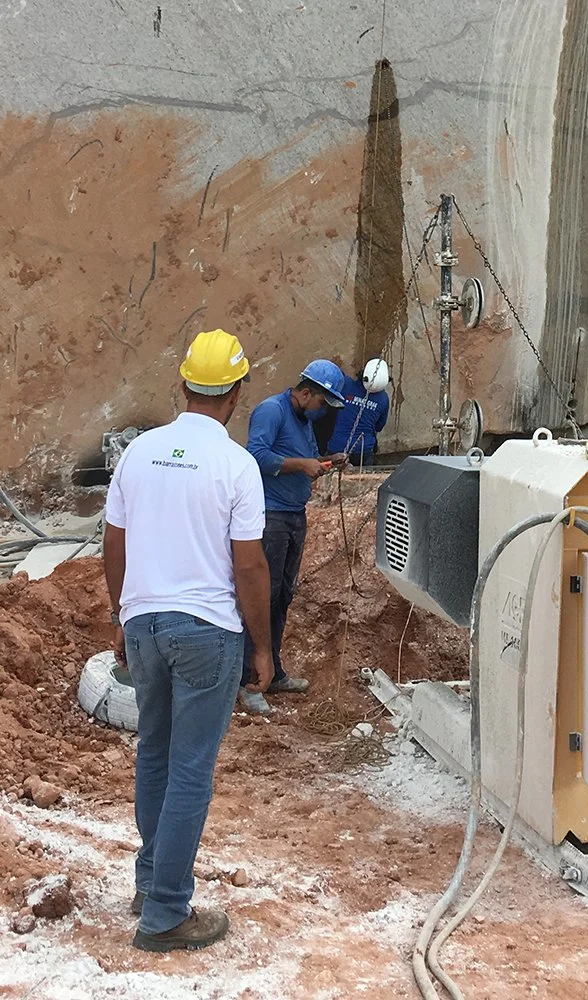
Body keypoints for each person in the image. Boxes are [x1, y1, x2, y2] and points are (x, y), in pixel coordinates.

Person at [103, 329, 273, 952]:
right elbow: (249, 565)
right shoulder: (236, 465)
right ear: (234, 393)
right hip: (206, 632)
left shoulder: (140, 452)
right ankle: (166, 915)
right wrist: (262, 647)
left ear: (183, 385)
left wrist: (122, 616)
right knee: (190, 772)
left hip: (144, 624)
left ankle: (152, 885)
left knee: (155, 756)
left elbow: (113, 545)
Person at [239, 359, 346, 715]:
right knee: (261, 599)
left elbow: (302, 459)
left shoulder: (302, 420)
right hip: (271, 518)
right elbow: (255, 456)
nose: (322, 412)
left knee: (282, 596)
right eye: (321, 404)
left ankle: (274, 672)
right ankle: (248, 681)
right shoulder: (271, 411)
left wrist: (325, 461)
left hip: (294, 516)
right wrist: (302, 465)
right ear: (304, 392)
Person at [325, 358, 391, 467]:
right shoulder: (383, 399)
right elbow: (379, 426)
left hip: (337, 447)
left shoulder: (346, 385)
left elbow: (331, 370)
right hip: (364, 450)